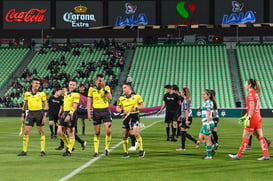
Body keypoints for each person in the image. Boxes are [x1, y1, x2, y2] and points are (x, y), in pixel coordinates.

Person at [229, 79, 270, 160]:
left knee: (245, 136)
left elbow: (251, 107)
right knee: (260, 136)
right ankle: (266, 155)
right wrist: (245, 116)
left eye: (246, 84)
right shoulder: (255, 93)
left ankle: (239, 155)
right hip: (258, 117)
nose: (245, 85)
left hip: (253, 118)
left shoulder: (250, 94)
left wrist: (249, 117)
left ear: (249, 85)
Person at [18, 78, 48, 156]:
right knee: (26, 132)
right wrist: (22, 115)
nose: (37, 85)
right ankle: (24, 151)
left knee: (41, 132)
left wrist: (45, 116)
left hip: (39, 113)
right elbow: (24, 105)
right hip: (30, 113)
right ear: (32, 84)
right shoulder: (27, 93)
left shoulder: (42, 93)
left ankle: (42, 151)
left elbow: (46, 105)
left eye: (38, 83)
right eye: (36, 83)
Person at [116, 83, 145, 158]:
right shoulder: (121, 98)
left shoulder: (137, 96)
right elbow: (117, 108)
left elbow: (142, 105)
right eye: (123, 88)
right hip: (126, 117)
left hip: (134, 116)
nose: (123, 89)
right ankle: (126, 152)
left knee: (136, 133)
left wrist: (136, 108)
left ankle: (141, 150)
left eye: (125, 87)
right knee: (125, 135)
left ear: (129, 88)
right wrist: (122, 111)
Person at [87, 73, 112, 157]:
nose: (101, 82)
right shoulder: (91, 89)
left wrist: (104, 88)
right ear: (96, 80)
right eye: (99, 80)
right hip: (96, 111)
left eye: (102, 80)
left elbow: (110, 98)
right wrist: (89, 113)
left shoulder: (106, 88)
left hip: (105, 111)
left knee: (108, 131)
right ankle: (96, 151)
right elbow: (89, 102)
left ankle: (106, 149)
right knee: (97, 132)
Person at [57, 79, 80, 156]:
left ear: (75, 86)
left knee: (70, 132)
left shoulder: (76, 94)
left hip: (71, 113)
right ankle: (69, 146)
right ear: (68, 85)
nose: (72, 86)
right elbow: (64, 104)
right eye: (71, 84)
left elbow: (75, 106)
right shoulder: (66, 94)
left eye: (73, 85)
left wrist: (69, 115)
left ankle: (69, 151)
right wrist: (61, 112)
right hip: (64, 113)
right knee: (59, 132)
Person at [199, 89, 215, 159]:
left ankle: (209, 155)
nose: (202, 96)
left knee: (208, 139)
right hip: (205, 123)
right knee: (200, 137)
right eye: (202, 94)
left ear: (209, 95)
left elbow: (208, 114)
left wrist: (207, 124)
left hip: (208, 123)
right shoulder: (207, 103)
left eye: (204, 94)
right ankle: (210, 150)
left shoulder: (208, 103)